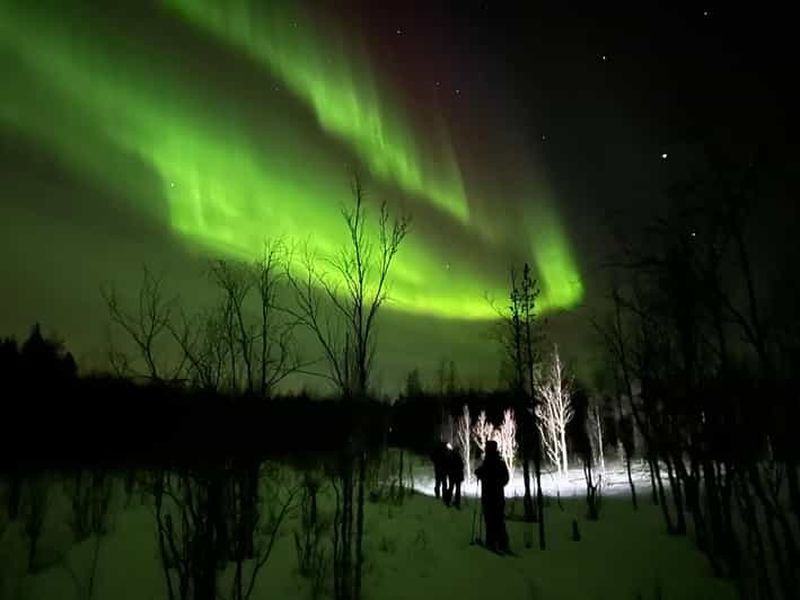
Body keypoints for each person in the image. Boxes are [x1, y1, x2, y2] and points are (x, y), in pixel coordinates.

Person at [475, 440, 510, 553]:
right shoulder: (498, 462)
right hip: (497, 496)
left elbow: (504, 478)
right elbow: (505, 478)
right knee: (498, 520)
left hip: (490, 496)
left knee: (491, 520)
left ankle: (493, 542)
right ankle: (502, 543)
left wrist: (495, 482)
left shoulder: (490, 463)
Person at [446, 443, 465, 509]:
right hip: (456, 475)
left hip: (453, 475)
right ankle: (456, 502)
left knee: (452, 488)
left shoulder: (450, 455)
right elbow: (461, 465)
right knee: (456, 489)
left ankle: (449, 501)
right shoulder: (456, 456)